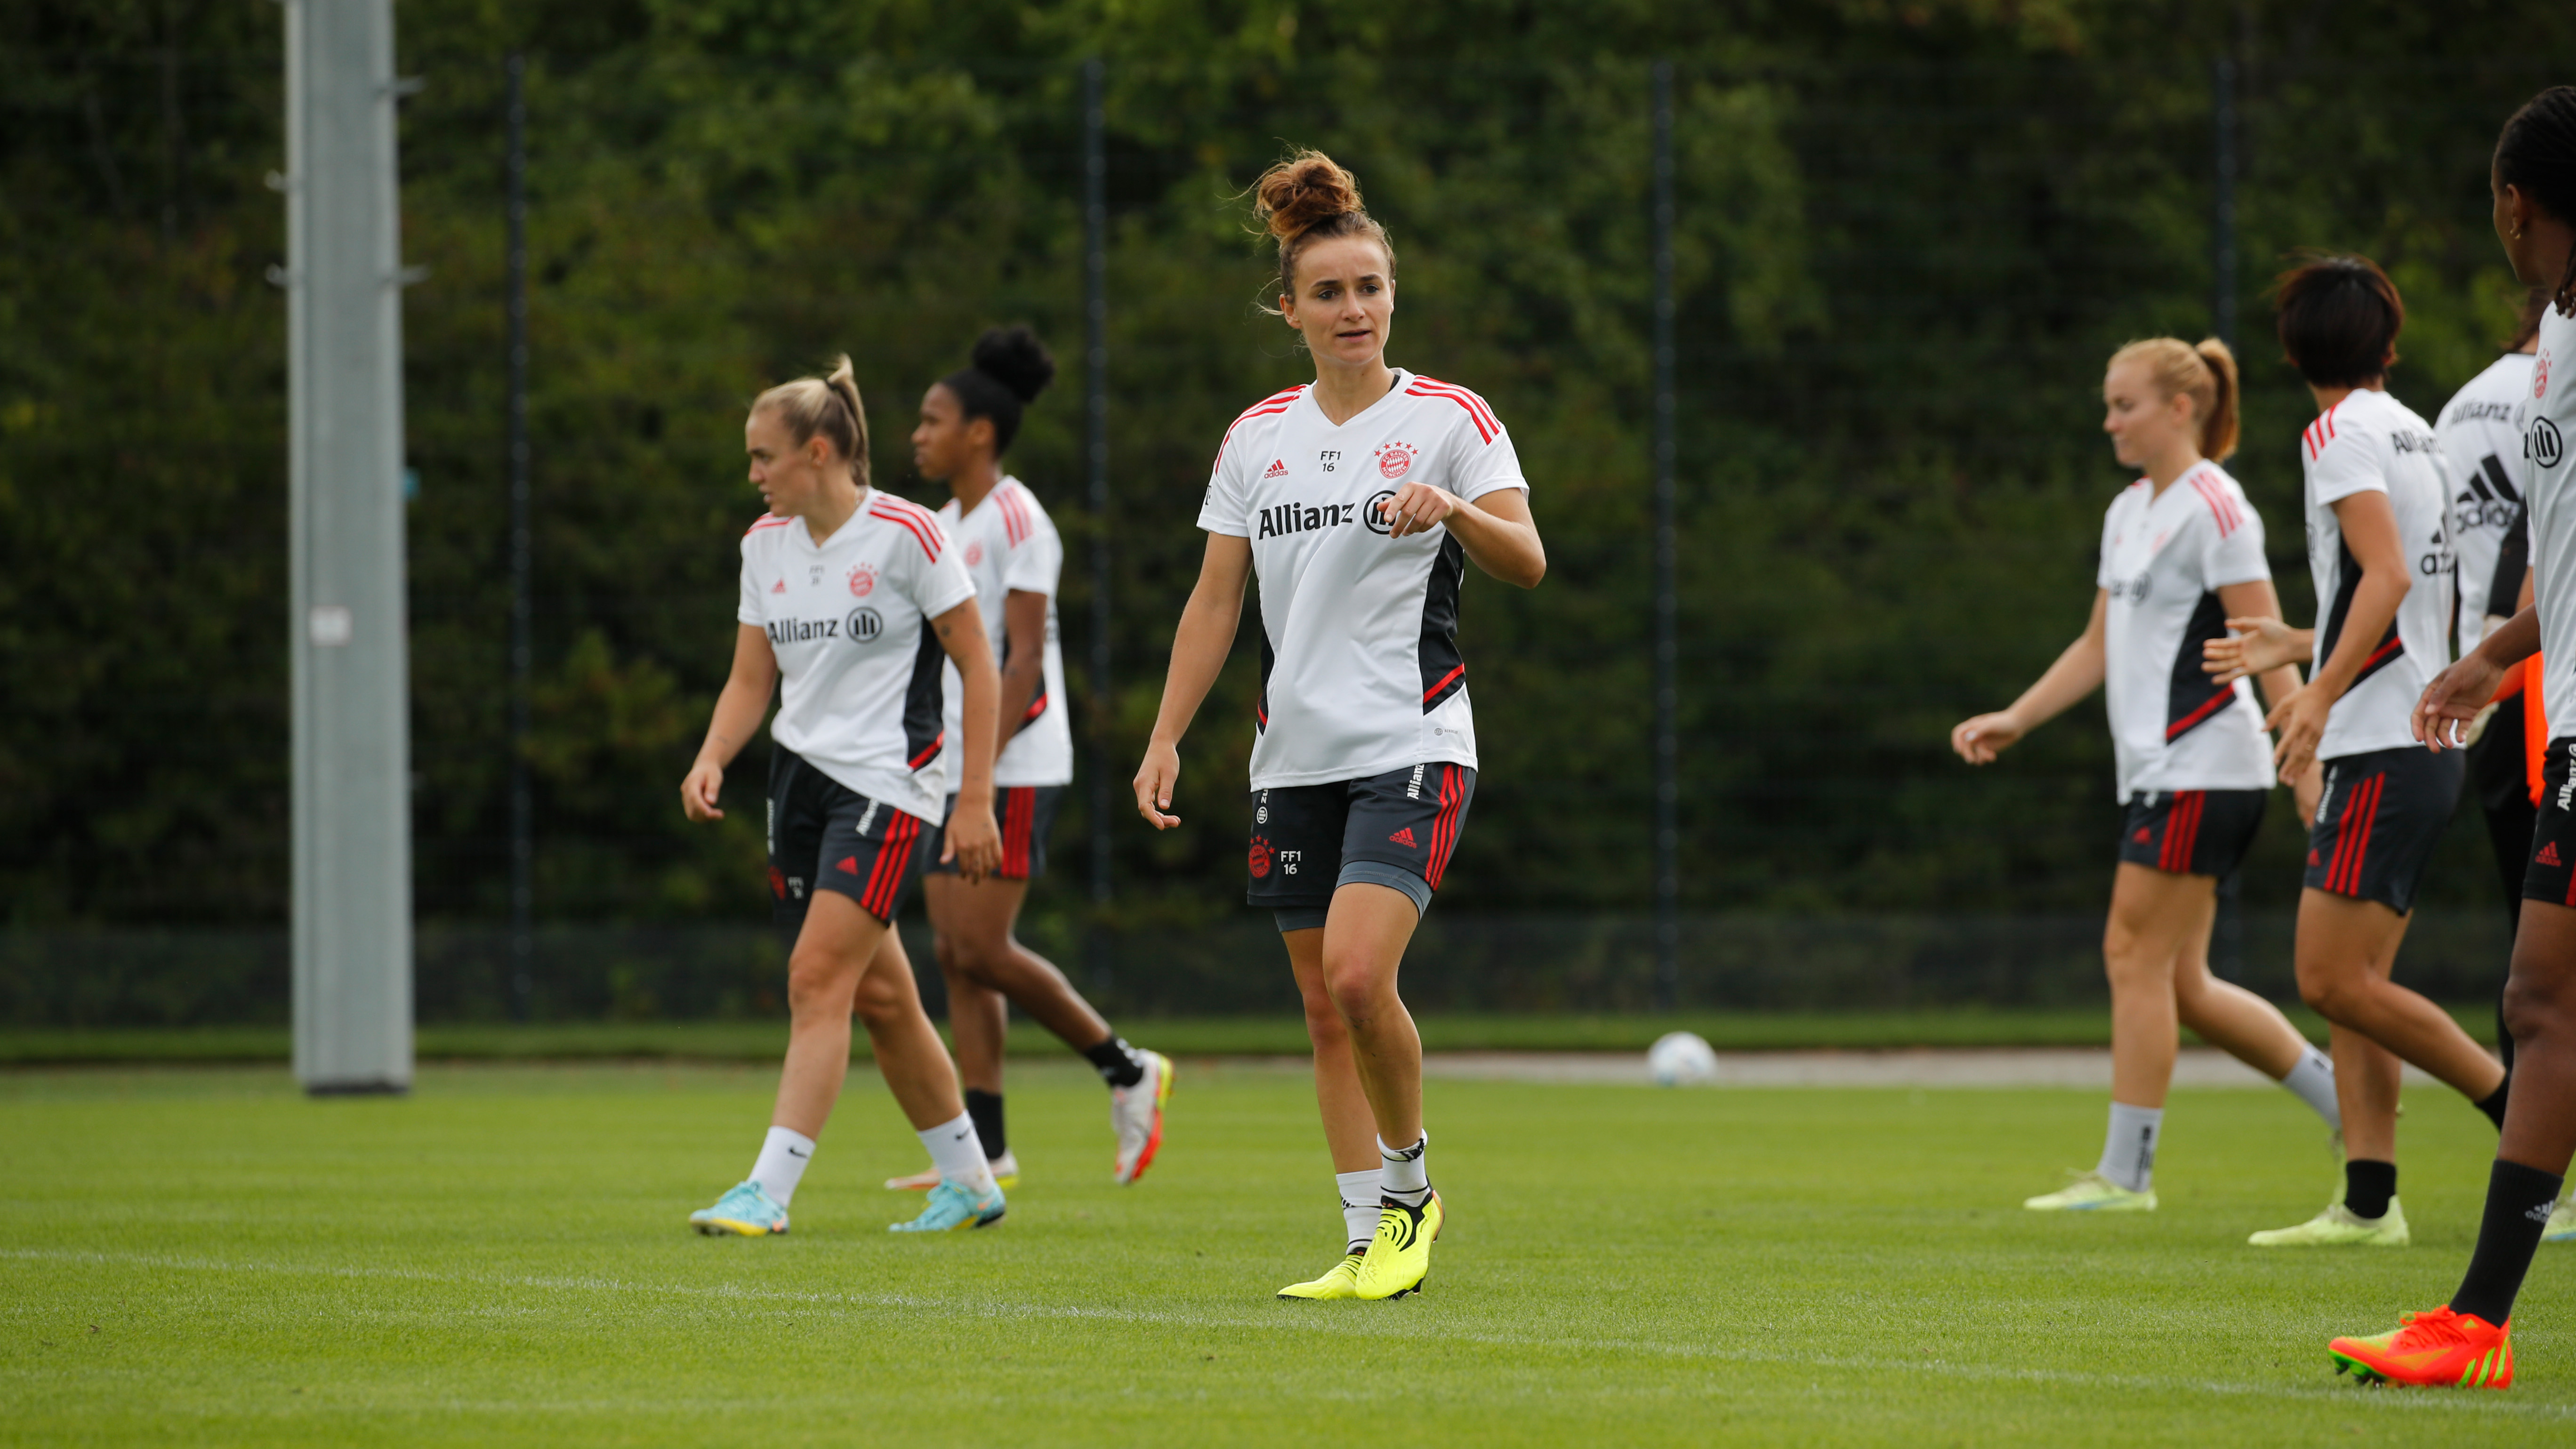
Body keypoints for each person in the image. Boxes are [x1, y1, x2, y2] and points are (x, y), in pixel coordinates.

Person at [1133, 150, 1545, 1301]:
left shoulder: (1453, 420)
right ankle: (1367, 1244)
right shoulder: (1256, 437)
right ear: (1290, 310)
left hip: (1412, 741)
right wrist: (1167, 735)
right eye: (1328, 292)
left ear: (1393, 296)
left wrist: (1454, 506)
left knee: (1362, 979)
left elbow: (1529, 560)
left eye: (1370, 288)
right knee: (1323, 1010)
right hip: (1292, 755)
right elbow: (1217, 601)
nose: (1352, 309)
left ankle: (1412, 1194)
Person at [1951, 337, 2339, 1215]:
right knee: (2184, 985)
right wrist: (2019, 715)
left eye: (2123, 404)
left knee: (2129, 953)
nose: (2109, 420)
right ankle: (2348, 1105)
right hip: (2167, 773)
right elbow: (2098, 644)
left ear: (2181, 407)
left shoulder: (2218, 504)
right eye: (2108, 403)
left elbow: (2269, 642)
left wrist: (2302, 758)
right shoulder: (2129, 510)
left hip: (2206, 766)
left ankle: (2127, 1177)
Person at [2331, 84, 2576, 1390]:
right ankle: (2477, 1319)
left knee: (2544, 1004)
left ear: (2513, 201)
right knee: (2542, 1002)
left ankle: (2479, 1317)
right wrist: (2501, 649)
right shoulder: (2558, 348)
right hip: (2564, 719)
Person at [678, 356, 1014, 1237]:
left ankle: (769, 1191)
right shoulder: (764, 546)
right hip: (798, 785)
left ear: (818, 452)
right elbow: (753, 678)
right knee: (883, 997)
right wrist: (713, 755)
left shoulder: (908, 535)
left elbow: (981, 663)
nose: (752, 475)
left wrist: (973, 798)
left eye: (763, 457)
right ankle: (971, 1179)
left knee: (816, 977)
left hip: (890, 786)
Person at [2207, 255, 2503, 1250]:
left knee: (2332, 980)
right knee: (2357, 983)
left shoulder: (2336, 432)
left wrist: (2317, 698)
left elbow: (2378, 576)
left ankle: (2525, 1119)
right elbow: (2411, 592)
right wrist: (2296, 646)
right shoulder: (2414, 428)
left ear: (2295, 349)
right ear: (2388, 340)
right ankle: (2370, 1202)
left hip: (2384, 741)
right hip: (2422, 736)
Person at [882, 325, 1174, 1195]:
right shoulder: (938, 523)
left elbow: (1022, 665)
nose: (919, 435)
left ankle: (1127, 1069)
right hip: (955, 769)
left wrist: (977, 773)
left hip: (1014, 764)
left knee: (981, 942)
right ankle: (986, 1149)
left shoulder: (1019, 518)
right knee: (955, 955)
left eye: (934, 420)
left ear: (980, 432)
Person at [2434, 290, 2545, 1074]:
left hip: (2487, 690)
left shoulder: (2458, 408)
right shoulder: (2555, 390)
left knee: (2529, 947)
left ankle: (2538, 1178)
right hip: (2538, 676)